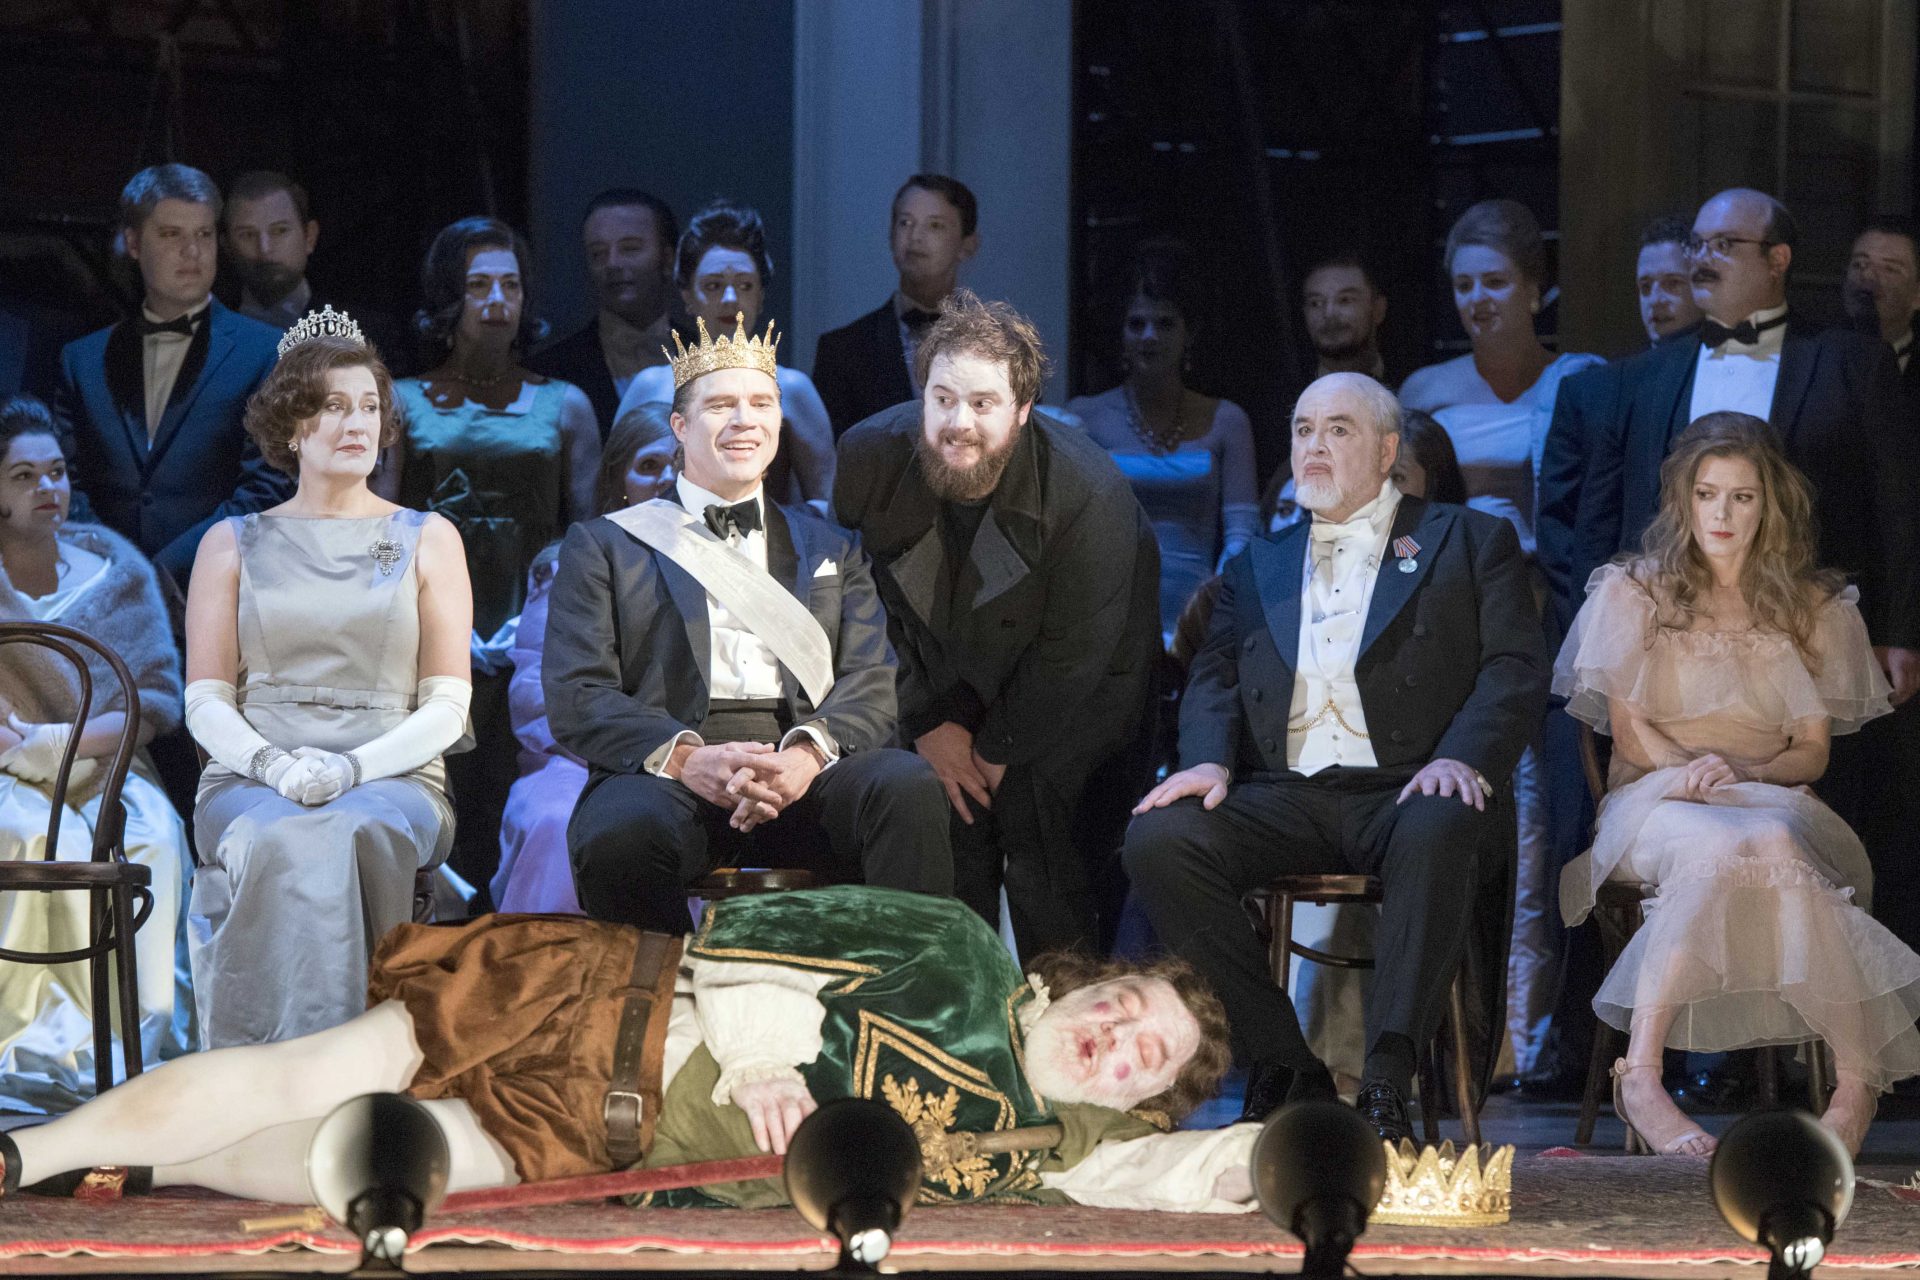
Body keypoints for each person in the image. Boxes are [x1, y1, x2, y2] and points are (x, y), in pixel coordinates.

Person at [0, 886, 1261, 1213]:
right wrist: (764, 1056)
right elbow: (765, 927)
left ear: (1143, 1100)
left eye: (1145, 1056)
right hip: (604, 1001)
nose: (1118, 1035)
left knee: (370, 1158)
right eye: (1126, 1001)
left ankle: (148, 1168)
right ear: (1085, 978)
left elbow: (1192, 1170)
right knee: (313, 1072)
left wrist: (1302, 1162)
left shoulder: (1052, 1149)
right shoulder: (961, 948)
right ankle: (28, 1150)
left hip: (602, 1138)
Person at [1123, 372, 1546, 1141]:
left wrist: (1463, 757)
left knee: (1440, 822)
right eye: (1303, 429)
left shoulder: (1466, 539)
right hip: (1286, 790)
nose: (1314, 445)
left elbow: (1513, 668)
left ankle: (1386, 1078)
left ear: (1386, 451)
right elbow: (1215, 674)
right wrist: (1209, 761)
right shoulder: (1260, 562)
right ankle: (1285, 1062)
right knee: (1160, 837)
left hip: (1409, 787)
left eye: (1339, 429)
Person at [1556, 414, 1920, 1157]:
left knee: (1767, 837)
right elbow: (1627, 730)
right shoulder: (1636, 592)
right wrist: (1685, 772)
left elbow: (1811, 753)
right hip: (1656, 797)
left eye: (1742, 497)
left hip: (1768, 797)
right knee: (1730, 846)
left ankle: (1853, 1084)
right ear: (1683, 501)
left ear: (1769, 505)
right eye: (1707, 494)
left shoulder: (1812, 606)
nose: (1721, 513)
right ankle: (1644, 1079)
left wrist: (1746, 772)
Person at [1574, 188, 1920, 954]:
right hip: (1672, 658)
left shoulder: (1848, 361)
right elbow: (1609, 515)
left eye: (1724, 244)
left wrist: (1900, 630)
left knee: (1833, 826)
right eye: (1697, 243)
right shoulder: (1649, 372)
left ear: (1778, 259)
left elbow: (1900, 503)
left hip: (1803, 642)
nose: (1703, 258)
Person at [549, 317, 952, 932]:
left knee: (905, 786)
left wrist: (806, 758)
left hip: (805, 765)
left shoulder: (833, 546)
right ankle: (667, 989)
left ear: (780, 422)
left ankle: (905, 983)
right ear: (679, 427)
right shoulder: (605, 546)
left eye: (762, 404)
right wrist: (689, 759)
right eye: (720, 405)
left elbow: (872, 679)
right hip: (669, 771)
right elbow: (578, 693)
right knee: (620, 834)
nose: (745, 420)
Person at [835, 291, 1161, 956]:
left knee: (1050, 860)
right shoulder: (869, 457)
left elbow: (1074, 656)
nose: (959, 423)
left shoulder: (1088, 494)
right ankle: (957, 1004)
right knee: (944, 828)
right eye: (943, 399)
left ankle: (1062, 1010)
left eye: (983, 403)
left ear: (1023, 410)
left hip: (1077, 693)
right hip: (938, 676)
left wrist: (992, 750)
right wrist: (928, 722)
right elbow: (860, 603)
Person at [183, 311, 471, 1047]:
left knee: (351, 826)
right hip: (251, 774)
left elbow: (448, 705)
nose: (358, 423)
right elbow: (205, 701)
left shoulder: (429, 538)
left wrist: (351, 769)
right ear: (291, 425)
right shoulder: (230, 543)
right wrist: (275, 767)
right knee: (276, 834)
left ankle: (341, 1065)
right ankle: (269, 1067)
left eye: (369, 406)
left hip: (393, 774)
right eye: (334, 406)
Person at [1397, 200, 1602, 1077]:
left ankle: (1538, 1034)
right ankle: (1469, 1032)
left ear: (1536, 288)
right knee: (1470, 804)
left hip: (1548, 608)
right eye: (1464, 283)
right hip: (1456, 614)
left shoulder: (1582, 377)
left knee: (1549, 814)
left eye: (1496, 281)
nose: (1478, 298)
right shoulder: (1425, 389)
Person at [374, 216, 600, 901]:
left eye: (510, 284)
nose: (498, 299)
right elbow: (381, 525)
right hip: (430, 629)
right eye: (478, 285)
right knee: (444, 789)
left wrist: (544, 614)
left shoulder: (565, 404)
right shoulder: (403, 402)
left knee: (519, 782)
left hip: (537, 633)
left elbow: (589, 532)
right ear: (450, 298)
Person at [0, 396, 194, 1111]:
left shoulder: (116, 569)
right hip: (6, 769)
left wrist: (60, 743)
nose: (46, 488)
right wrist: (26, 754)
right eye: (23, 476)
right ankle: (31, 1046)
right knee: (30, 835)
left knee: (149, 838)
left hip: (109, 762)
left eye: (55, 472)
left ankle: (130, 1043)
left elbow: (153, 700)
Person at [51, 164, 290, 591]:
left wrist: (161, 575)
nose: (192, 251)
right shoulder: (82, 360)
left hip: (219, 593)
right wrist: (115, 569)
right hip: (101, 592)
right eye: (171, 234)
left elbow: (266, 490)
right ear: (133, 243)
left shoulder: (267, 352)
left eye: (203, 234)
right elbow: (64, 482)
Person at [490, 401, 679, 914]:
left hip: (690, 759)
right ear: (619, 479)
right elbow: (536, 701)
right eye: (649, 465)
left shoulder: (731, 569)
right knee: (558, 820)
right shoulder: (565, 565)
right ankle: (551, 960)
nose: (666, 478)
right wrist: (638, 752)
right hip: (576, 762)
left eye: (680, 464)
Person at [1067, 242, 1257, 639]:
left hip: (1198, 629)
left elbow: (1242, 537)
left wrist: (1211, 614)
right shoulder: (1083, 417)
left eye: (1166, 324)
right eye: (1136, 324)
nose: (1150, 337)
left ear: (1190, 333)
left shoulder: (1227, 421)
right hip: (1106, 625)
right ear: (1120, 333)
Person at [614, 202, 834, 512]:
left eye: (745, 285)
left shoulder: (792, 389)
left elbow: (826, 504)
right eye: (713, 286)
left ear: (760, 296)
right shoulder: (650, 387)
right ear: (688, 296)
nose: (730, 299)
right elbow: (612, 492)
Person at [813, 174, 980, 436]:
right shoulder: (843, 351)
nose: (915, 236)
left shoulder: (1004, 351)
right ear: (891, 236)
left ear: (967, 245)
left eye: (935, 225)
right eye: (905, 223)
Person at [527, 188, 680, 434]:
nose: (612, 263)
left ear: (668, 258)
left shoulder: (710, 355)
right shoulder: (547, 373)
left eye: (630, 248)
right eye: (598, 253)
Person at [221, 170, 408, 368]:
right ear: (227, 247)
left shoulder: (367, 336)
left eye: (280, 231)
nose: (265, 249)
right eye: (248, 235)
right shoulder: (210, 337)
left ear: (309, 236)